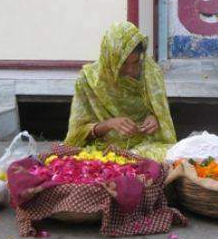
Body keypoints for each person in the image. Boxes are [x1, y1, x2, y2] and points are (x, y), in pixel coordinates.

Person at [65, 21, 176, 162]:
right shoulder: (89, 80)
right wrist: (108, 124)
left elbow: (161, 116)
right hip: (105, 149)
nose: (130, 70)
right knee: (90, 163)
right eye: (123, 64)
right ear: (109, 60)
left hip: (146, 145)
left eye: (135, 63)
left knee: (170, 157)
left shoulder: (150, 72)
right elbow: (77, 134)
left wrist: (154, 117)